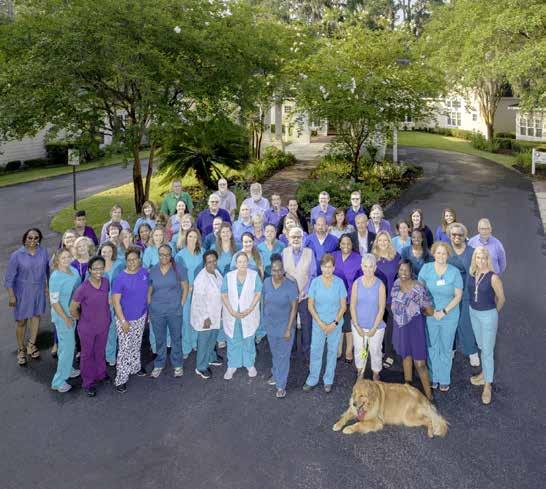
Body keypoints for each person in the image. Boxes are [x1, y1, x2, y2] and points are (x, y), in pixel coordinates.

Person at [418, 242, 463, 392]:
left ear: (448, 255)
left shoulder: (454, 272)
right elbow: (420, 291)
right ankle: (434, 377)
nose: (441, 256)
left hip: (449, 315)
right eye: (438, 253)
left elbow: (458, 296)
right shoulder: (426, 269)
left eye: (444, 253)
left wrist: (443, 311)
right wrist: (430, 310)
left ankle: (444, 379)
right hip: (431, 314)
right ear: (433, 254)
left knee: (446, 347)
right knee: (432, 346)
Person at [5, 228, 50, 365]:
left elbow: (47, 271)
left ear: (39, 240)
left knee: (36, 316)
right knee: (21, 321)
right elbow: (9, 278)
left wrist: (48, 287)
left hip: (38, 290)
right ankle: (21, 349)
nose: (32, 240)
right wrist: (11, 296)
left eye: (36, 238)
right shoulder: (17, 255)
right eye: (30, 237)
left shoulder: (43, 252)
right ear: (25, 238)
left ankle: (31, 344)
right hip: (22, 292)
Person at [303, 254, 347, 393]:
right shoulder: (315, 282)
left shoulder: (339, 283)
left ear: (334, 268)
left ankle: (328, 380)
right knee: (316, 350)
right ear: (321, 267)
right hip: (319, 323)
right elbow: (310, 305)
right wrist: (320, 323)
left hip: (335, 323)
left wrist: (334, 323)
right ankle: (313, 379)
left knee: (332, 352)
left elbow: (343, 307)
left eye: (330, 267)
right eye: (324, 267)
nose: (327, 270)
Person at [391, 260, 434, 400]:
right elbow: (394, 305)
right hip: (401, 326)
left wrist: (417, 312)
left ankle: (429, 396)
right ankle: (408, 391)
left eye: (406, 270)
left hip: (415, 327)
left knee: (420, 364)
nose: (403, 273)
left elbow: (429, 310)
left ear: (411, 271)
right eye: (401, 270)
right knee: (406, 357)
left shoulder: (418, 288)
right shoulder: (396, 284)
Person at [467, 247, 506, 405]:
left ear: (487, 259)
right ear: (474, 259)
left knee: (488, 351)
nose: (481, 261)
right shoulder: (473, 273)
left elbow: (502, 299)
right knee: (482, 347)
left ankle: (487, 385)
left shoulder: (493, 277)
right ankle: (484, 374)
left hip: (488, 315)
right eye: (478, 257)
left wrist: (493, 314)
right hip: (473, 313)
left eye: (483, 258)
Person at [69, 256, 111, 397]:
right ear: (90, 270)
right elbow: (72, 309)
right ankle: (88, 382)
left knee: (100, 351)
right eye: (95, 268)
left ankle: (101, 373)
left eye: (101, 268)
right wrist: (82, 319)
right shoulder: (83, 288)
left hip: (103, 325)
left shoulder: (106, 282)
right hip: (87, 328)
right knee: (87, 355)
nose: (98, 271)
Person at [111, 247, 149, 393]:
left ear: (139, 260)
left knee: (136, 343)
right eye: (129, 260)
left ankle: (135, 367)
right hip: (125, 320)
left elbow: (148, 290)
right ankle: (121, 379)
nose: (132, 262)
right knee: (125, 349)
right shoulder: (120, 279)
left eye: (134, 259)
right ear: (125, 261)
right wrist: (123, 321)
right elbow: (116, 302)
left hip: (141, 316)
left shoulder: (144, 273)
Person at [147, 244, 188, 379]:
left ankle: (177, 364)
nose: (164, 257)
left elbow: (185, 287)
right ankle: (159, 363)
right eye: (161, 254)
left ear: (171, 255)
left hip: (174, 310)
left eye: (167, 254)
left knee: (176, 338)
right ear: (158, 255)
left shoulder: (178, 268)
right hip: (157, 310)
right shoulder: (153, 270)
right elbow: (149, 290)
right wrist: (149, 307)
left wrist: (181, 304)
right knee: (159, 338)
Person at [221, 252, 262, 380]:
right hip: (232, 314)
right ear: (236, 263)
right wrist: (231, 310)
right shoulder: (228, 276)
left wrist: (250, 309)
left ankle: (249, 364)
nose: (242, 264)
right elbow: (224, 294)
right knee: (233, 339)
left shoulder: (254, 275)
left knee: (248, 339)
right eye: (240, 262)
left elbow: (258, 293)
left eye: (244, 261)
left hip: (248, 313)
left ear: (248, 262)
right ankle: (232, 365)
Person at [262, 255, 298, 398]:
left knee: (283, 356)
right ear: (270, 270)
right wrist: (264, 320)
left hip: (285, 327)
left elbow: (294, 308)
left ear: (283, 270)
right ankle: (276, 374)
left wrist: (289, 329)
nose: (276, 273)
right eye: (274, 270)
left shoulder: (290, 285)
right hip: (271, 326)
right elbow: (264, 301)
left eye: (279, 270)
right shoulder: (266, 282)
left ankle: (281, 385)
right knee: (275, 353)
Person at [447, 222, 480, 367]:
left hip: (467, 293)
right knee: (450, 323)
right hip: (449, 294)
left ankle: (472, 352)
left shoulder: (472, 252)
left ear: (464, 236)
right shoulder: (446, 251)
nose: (456, 237)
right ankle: (451, 349)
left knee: (466, 323)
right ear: (449, 235)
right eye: (453, 234)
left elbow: (478, 272)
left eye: (460, 235)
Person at [350, 254, 386, 381]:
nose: (368, 270)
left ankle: (376, 373)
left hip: (376, 327)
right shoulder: (356, 283)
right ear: (361, 267)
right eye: (365, 266)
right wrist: (356, 325)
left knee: (375, 351)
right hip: (358, 325)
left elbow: (381, 308)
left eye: (371, 267)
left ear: (375, 268)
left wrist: (374, 328)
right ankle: (360, 372)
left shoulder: (380, 285)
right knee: (360, 350)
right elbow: (352, 306)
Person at [282, 227, 316, 361]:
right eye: (293, 237)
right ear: (289, 239)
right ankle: (291, 352)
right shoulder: (284, 252)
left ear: (303, 238)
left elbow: (313, 275)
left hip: (305, 296)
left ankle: (307, 353)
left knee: (306, 326)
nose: (296, 239)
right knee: (290, 324)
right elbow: (282, 274)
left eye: (298, 237)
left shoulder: (309, 252)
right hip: (289, 297)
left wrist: (304, 291)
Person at [49, 249, 81, 392]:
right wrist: (66, 318)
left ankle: (68, 369)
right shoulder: (55, 277)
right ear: (57, 260)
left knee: (64, 346)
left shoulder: (74, 271)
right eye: (63, 257)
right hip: (62, 316)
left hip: (72, 312)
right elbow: (54, 302)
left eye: (68, 256)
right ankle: (58, 381)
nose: (66, 259)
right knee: (68, 347)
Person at [191, 250, 224, 379]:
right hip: (205, 316)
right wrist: (205, 317)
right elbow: (198, 300)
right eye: (209, 262)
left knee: (212, 338)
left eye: (214, 261)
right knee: (204, 342)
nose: (212, 263)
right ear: (205, 263)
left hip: (215, 313)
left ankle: (210, 357)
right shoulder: (201, 278)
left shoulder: (216, 272)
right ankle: (201, 367)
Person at [372, 231, 401, 368]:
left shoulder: (396, 257)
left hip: (392, 299)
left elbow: (402, 276)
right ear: (376, 242)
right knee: (377, 326)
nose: (383, 243)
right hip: (376, 299)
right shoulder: (372, 258)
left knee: (390, 328)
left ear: (389, 242)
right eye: (380, 240)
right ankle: (379, 351)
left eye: (385, 240)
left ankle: (390, 353)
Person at [332, 234, 362, 363]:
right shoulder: (333, 256)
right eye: (343, 243)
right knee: (337, 323)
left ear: (352, 244)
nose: (346, 246)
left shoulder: (358, 258)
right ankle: (338, 350)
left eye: (348, 243)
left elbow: (361, 279)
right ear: (339, 244)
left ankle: (349, 350)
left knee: (349, 326)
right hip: (335, 297)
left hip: (351, 297)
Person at [175, 229, 203, 358]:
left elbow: (205, 271)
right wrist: (187, 286)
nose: (192, 239)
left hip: (199, 291)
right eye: (190, 236)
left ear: (198, 239)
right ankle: (186, 347)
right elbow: (178, 274)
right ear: (186, 238)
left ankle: (195, 342)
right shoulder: (180, 255)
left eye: (194, 237)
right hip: (186, 291)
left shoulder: (202, 252)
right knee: (186, 320)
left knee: (197, 317)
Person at [99, 242, 123, 367]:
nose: (106, 254)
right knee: (104, 331)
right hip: (101, 304)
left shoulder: (119, 264)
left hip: (117, 302)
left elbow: (124, 281)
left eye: (109, 251)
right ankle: (105, 355)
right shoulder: (96, 266)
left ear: (113, 252)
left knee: (114, 330)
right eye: (104, 251)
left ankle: (113, 354)